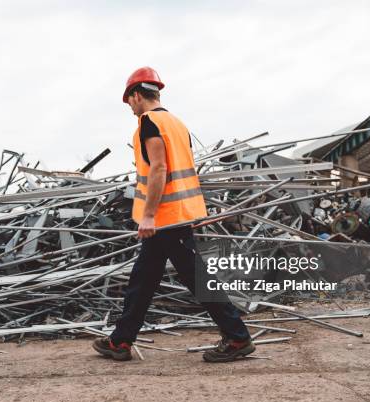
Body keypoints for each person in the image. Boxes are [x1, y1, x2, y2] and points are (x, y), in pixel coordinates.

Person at [92, 67, 254, 363]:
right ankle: (120, 341)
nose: (129, 107)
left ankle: (237, 338)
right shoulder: (177, 123)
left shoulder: (149, 122)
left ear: (137, 95)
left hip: (166, 216)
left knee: (196, 278)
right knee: (144, 278)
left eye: (129, 101)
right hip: (179, 212)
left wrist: (149, 215)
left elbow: (159, 168)